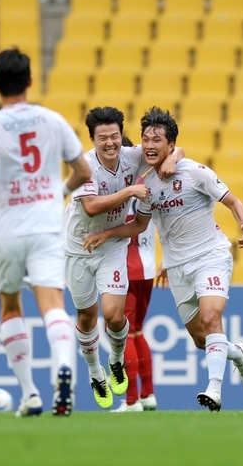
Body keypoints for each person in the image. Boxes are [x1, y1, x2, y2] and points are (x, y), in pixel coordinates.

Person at [83, 107, 243, 412]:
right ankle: (239, 353)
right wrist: (107, 234)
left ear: (171, 146)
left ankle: (214, 390)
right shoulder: (146, 185)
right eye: (145, 139)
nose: (149, 145)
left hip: (210, 256)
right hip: (177, 266)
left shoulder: (194, 172)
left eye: (157, 140)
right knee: (202, 340)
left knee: (210, 318)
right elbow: (138, 225)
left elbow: (233, 201)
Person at [0, 48, 91, 417]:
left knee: (10, 306)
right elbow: (83, 172)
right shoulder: (53, 120)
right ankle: (64, 368)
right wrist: (55, 194)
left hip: (5, 229)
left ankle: (30, 393)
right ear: (30, 81)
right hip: (45, 224)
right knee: (53, 305)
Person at [64, 107, 182, 409]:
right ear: (92, 139)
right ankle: (95, 372)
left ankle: (115, 361)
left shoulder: (132, 155)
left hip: (112, 247)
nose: (110, 143)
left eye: (114, 136)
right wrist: (131, 190)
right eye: (102, 138)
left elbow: (173, 147)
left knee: (116, 316)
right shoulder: (84, 167)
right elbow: (90, 207)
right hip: (79, 246)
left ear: (121, 136)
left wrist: (174, 158)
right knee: (88, 317)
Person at [111, 136, 158, 413]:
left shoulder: (117, 188)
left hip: (124, 269)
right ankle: (148, 394)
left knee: (122, 335)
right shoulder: (149, 184)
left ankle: (131, 400)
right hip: (148, 266)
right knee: (137, 331)